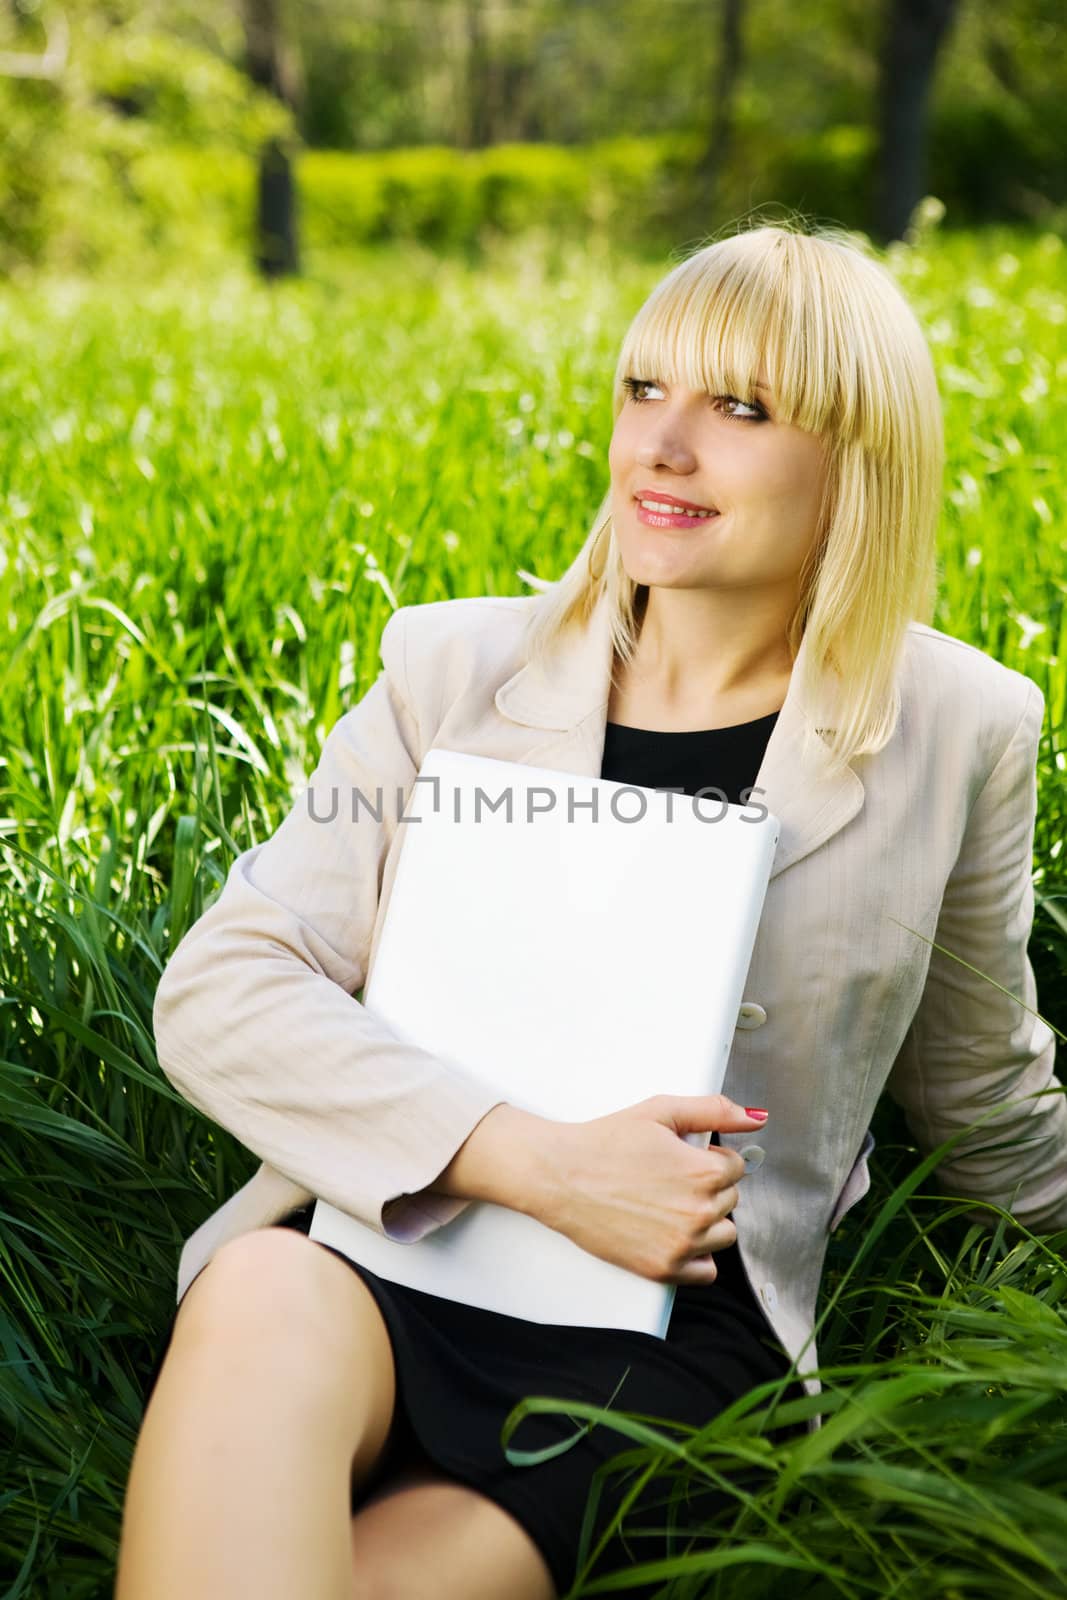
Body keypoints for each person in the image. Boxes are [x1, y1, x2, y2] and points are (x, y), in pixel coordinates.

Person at [115, 220, 1067, 1600]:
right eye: (643, 390)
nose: (661, 447)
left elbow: (982, 1100)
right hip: (381, 1249)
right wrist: (536, 1164)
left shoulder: (963, 728)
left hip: (658, 1345)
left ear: (857, 458)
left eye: (737, 408)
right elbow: (222, 990)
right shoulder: (448, 669)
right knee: (259, 1289)